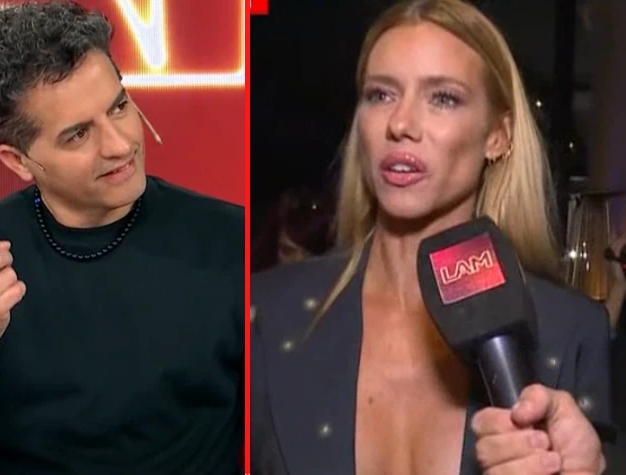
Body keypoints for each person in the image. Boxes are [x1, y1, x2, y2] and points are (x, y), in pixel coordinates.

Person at [0, 2, 243, 474]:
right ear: (19, 161)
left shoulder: (232, 242)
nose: (119, 145)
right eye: (78, 135)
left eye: (119, 107)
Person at [250, 1, 613, 474]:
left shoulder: (571, 331)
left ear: (498, 136)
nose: (400, 124)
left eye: (443, 98)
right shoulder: (264, 313)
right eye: (380, 94)